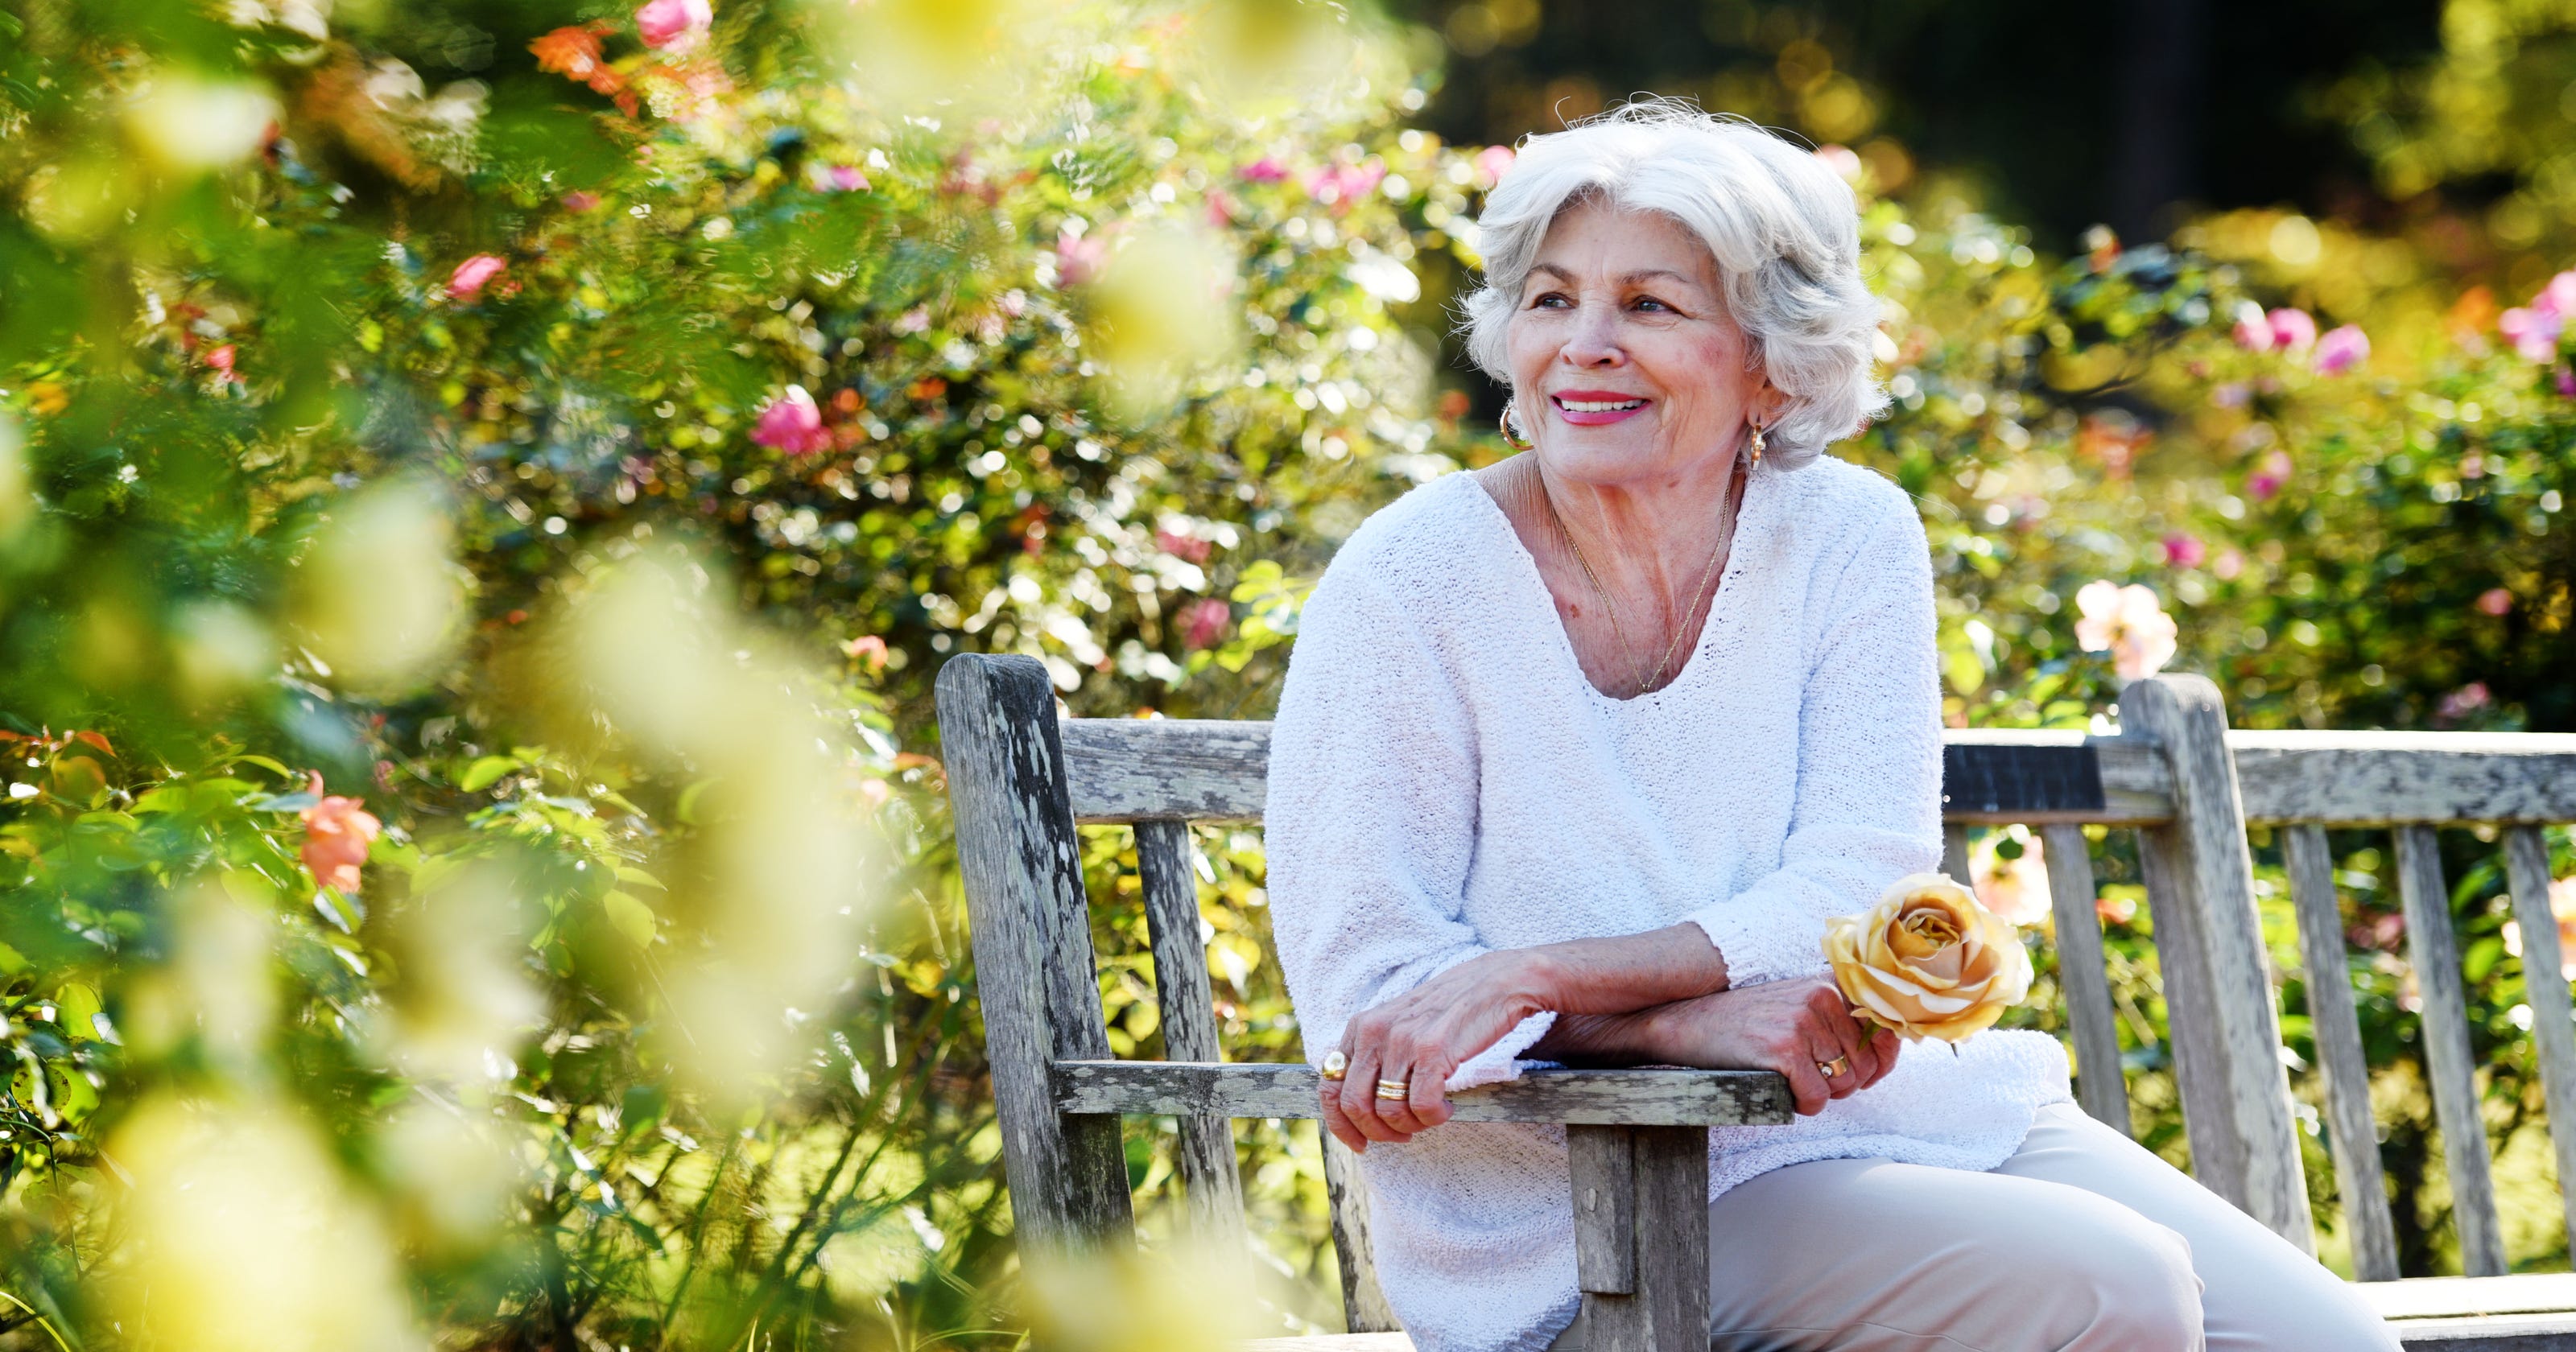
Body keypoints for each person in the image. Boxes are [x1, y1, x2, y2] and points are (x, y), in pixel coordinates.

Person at [1263, 99, 2398, 1352]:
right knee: (2106, 1288)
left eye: (1648, 306)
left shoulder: (1851, 535)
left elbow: (1855, 882)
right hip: (1583, 1206)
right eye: (1549, 300)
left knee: (2331, 1347)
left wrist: (1542, 975)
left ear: (1771, 358)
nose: (1582, 346)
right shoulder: (1410, 581)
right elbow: (1377, 990)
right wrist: (1675, 1029)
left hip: (1887, 1120)